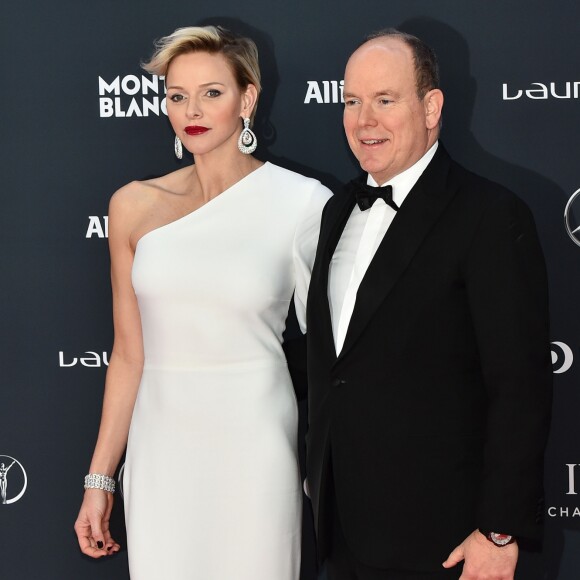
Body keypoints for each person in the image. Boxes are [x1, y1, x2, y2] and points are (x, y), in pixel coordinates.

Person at [74, 25, 331, 579]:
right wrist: (100, 480)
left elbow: (333, 347)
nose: (192, 109)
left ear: (248, 98)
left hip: (255, 445)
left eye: (212, 92)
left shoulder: (302, 203)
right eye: (176, 95)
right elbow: (128, 355)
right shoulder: (133, 206)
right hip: (162, 449)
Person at [305, 29, 552, 580]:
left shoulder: (489, 214)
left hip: (448, 541)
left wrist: (499, 530)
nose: (364, 120)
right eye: (352, 102)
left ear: (432, 106)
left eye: (385, 101)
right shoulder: (338, 209)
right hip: (343, 531)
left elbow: (519, 385)